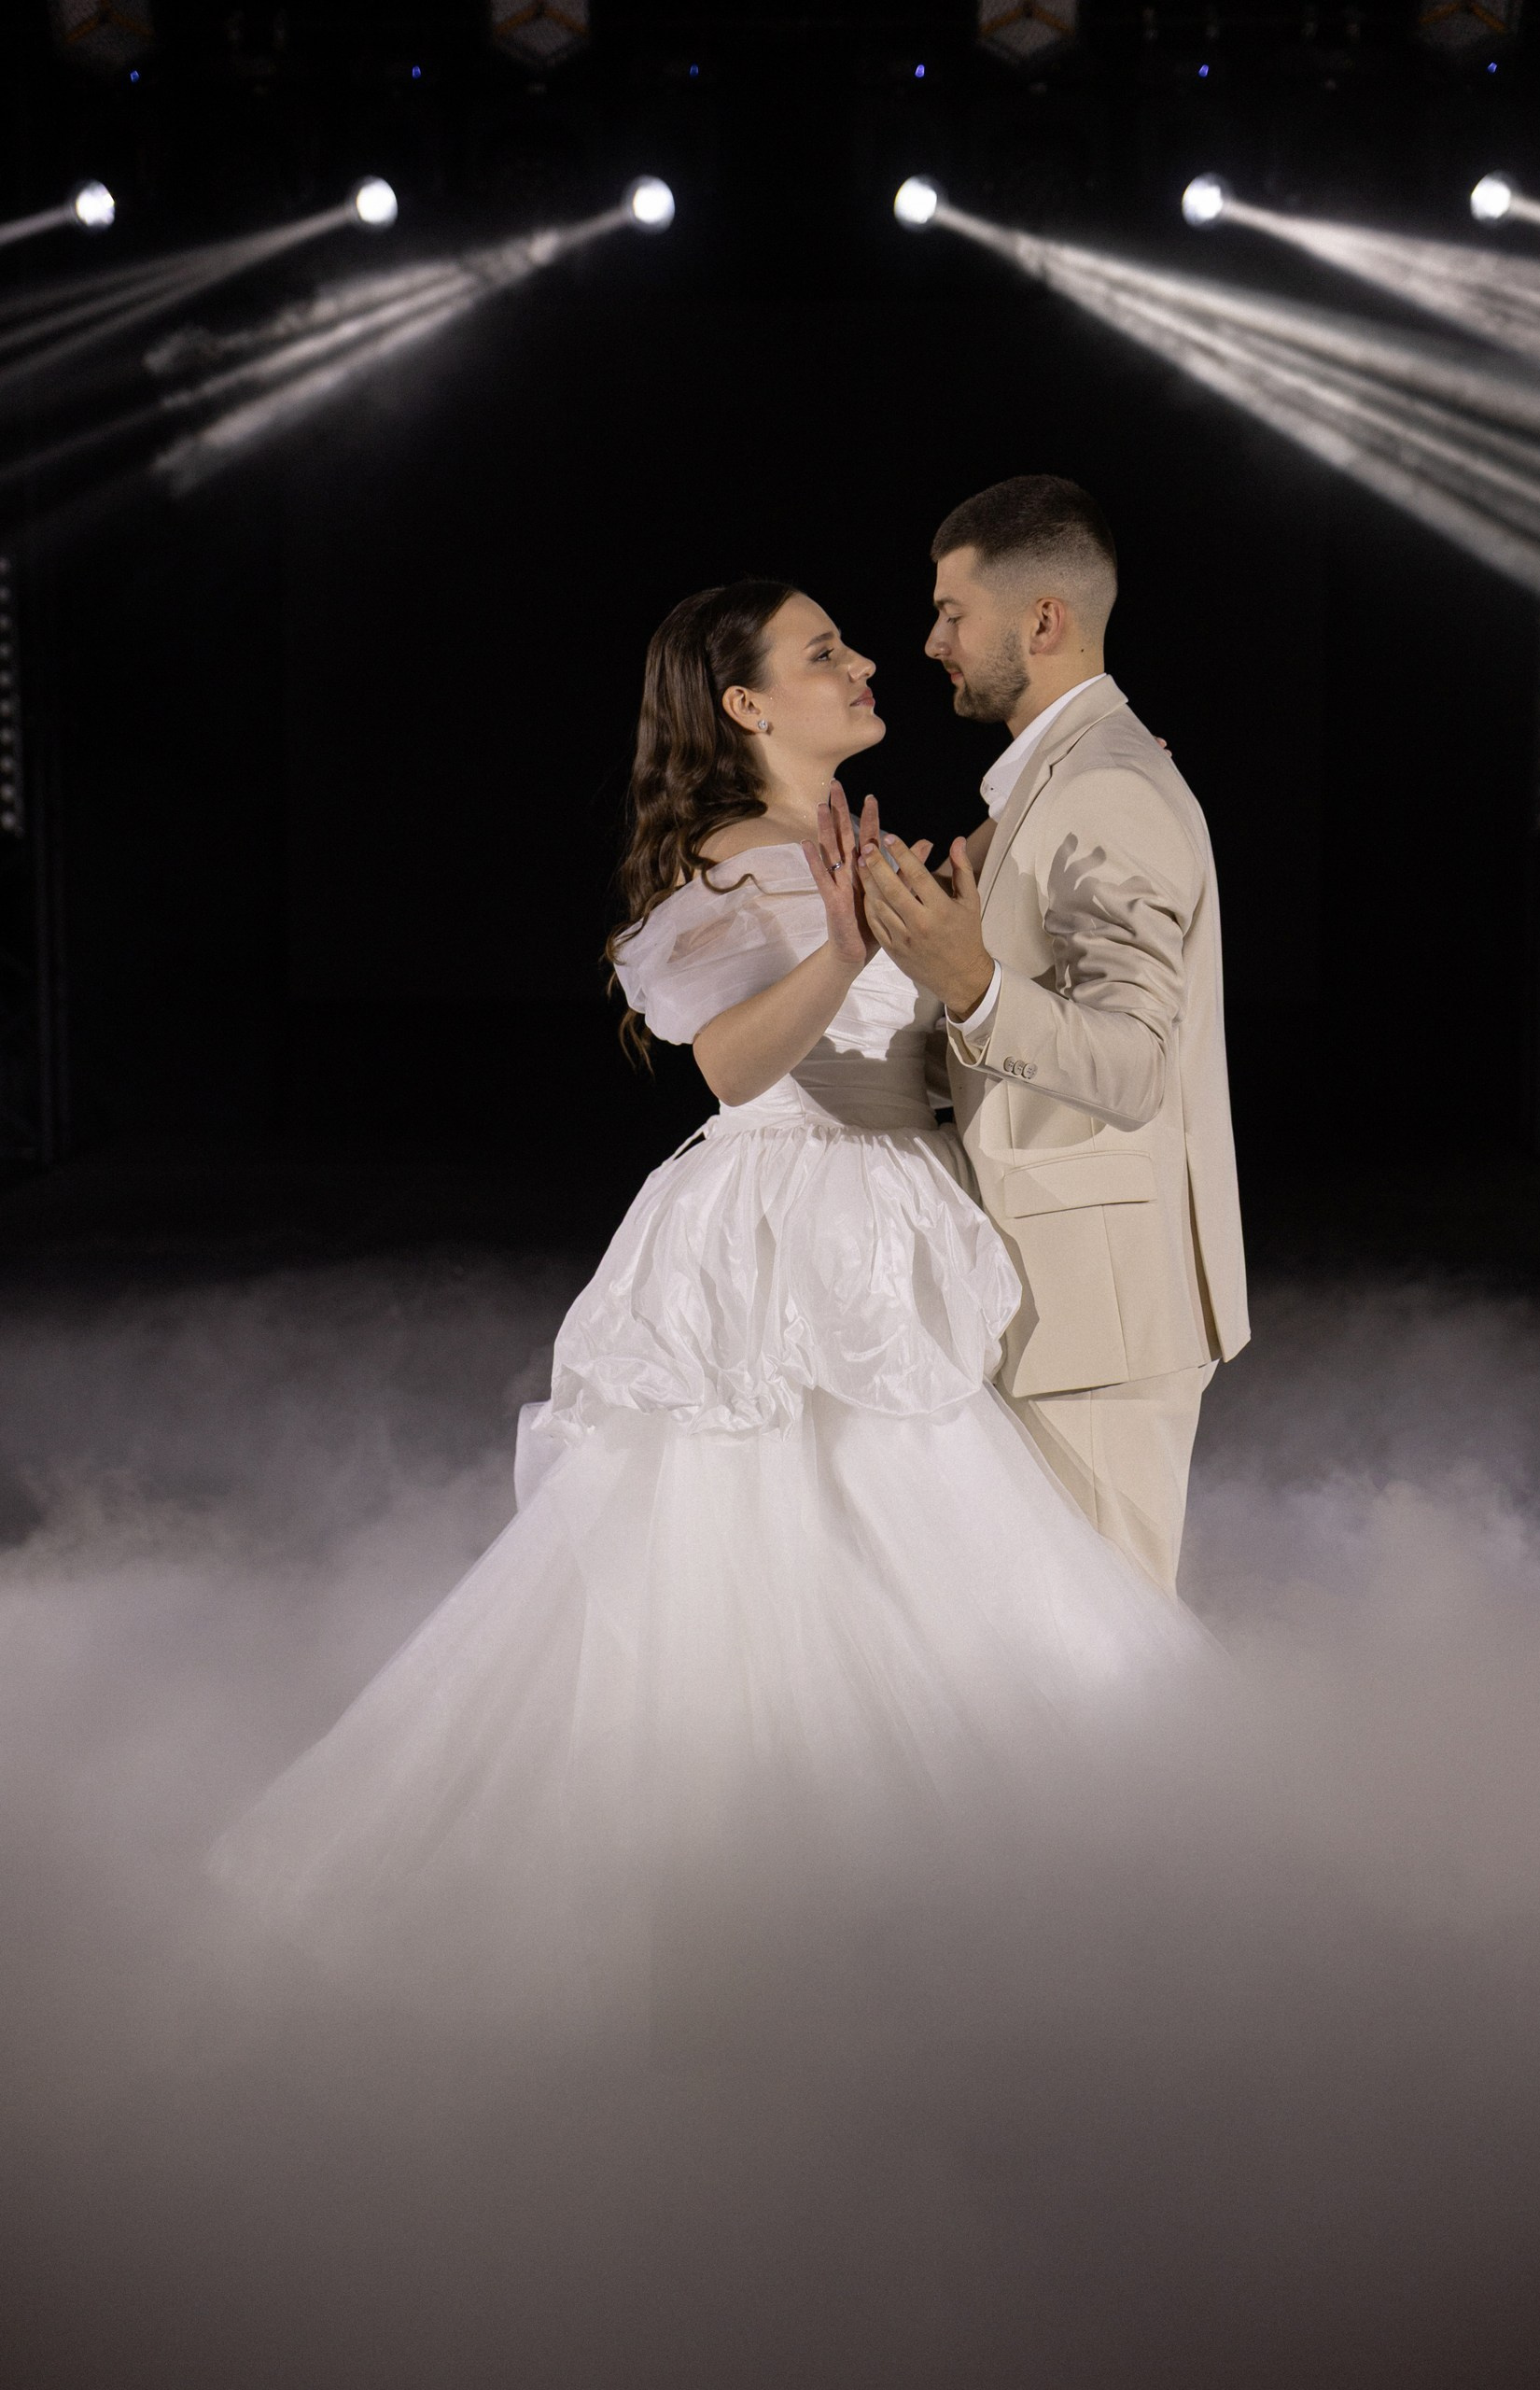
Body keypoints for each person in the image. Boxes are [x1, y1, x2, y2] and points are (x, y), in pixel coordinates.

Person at [209, 577, 1207, 2030]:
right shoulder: (734, 865)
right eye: (822, 653)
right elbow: (734, 1067)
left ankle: (913, 1923)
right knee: (788, 1538)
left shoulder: (841, 846)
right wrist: (849, 949)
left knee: (891, 1542)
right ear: (743, 705)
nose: (863, 664)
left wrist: (975, 874)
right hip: (791, 1223)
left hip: (884, 1204)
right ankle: (782, 1935)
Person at [858, 478, 1249, 1599]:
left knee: (1106, 1668)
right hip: (1056, 1308)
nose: (931, 641)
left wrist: (971, 984)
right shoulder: (1065, 777)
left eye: (952, 612)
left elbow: (1135, 1064)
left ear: (1042, 621)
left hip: (1098, 1325)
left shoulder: (1108, 787)